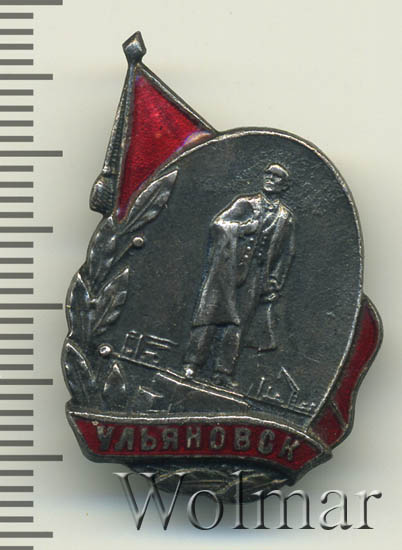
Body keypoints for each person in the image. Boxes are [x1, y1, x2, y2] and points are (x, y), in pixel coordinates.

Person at [183, 163, 295, 388]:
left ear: (284, 186)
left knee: (239, 324)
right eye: (268, 174)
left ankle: (222, 373)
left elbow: (287, 253)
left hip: (256, 276)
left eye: (276, 177)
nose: (270, 179)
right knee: (210, 315)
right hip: (227, 270)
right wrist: (242, 229)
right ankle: (192, 364)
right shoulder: (245, 204)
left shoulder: (285, 218)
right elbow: (218, 225)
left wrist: (275, 281)